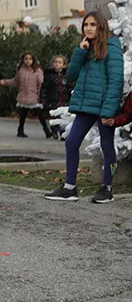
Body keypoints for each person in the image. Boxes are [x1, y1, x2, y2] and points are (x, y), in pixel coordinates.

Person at [45, 12, 124, 203]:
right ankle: (70, 188)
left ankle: (107, 188)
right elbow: (71, 74)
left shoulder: (112, 49)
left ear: (101, 26)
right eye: (86, 25)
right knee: (71, 142)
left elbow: (116, 81)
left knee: (107, 147)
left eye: (93, 24)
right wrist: (80, 51)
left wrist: (108, 111)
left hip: (104, 107)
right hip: (87, 106)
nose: (88, 28)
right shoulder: (85, 49)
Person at [0, 52, 49, 138]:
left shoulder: (37, 70)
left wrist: (39, 95)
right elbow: (16, 81)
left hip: (34, 96)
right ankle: (20, 130)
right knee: (23, 114)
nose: (28, 61)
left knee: (40, 114)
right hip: (23, 95)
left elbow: (41, 83)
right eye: (26, 59)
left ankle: (47, 130)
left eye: (30, 59)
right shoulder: (20, 70)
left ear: (33, 60)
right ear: (23, 60)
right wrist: (5, 82)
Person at [41, 54, 72, 139]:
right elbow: (44, 89)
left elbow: (69, 88)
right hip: (53, 100)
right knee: (56, 116)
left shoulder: (66, 75)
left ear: (64, 65)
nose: (57, 64)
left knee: (64, 118)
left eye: (59, 62)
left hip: (65, 100)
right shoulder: (49, 76)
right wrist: (43, 100)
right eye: (55, 62)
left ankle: (63, 133)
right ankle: (54, 129)